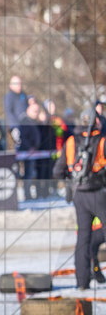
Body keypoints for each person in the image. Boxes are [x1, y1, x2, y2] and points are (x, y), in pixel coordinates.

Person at [53, 104, 106, 290]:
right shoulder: (102, 141)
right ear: (96, 121)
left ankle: (82, 283)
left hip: (79, 195)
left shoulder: (70, 142)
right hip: (98, 193)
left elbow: (57, 171)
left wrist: (70, 184)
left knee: (83, 238)